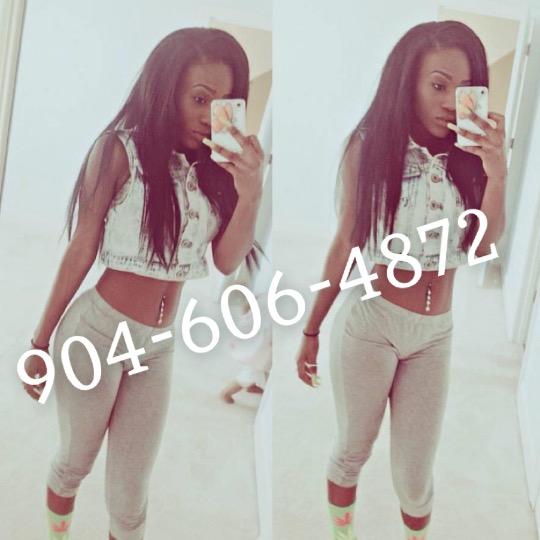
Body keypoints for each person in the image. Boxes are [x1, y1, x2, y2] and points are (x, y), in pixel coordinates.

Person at [20, 27, 264, 540]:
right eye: (199, 99)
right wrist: (39, 343)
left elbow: (226, 261)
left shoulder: (216, 172)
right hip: (96, 335)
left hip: (157, 346)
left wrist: (251, 191)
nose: (210, 116)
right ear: (165, 91)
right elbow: (81, 250)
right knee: (76, 460)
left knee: (131, 494)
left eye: (224, 104)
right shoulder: (118, 151)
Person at [296, 21, 506, 540]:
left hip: (435, 335)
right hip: (372, 323)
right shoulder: (369, 147)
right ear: (407, 83)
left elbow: (482, 247)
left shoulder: (473, 160)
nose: (451, 102)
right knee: (353, 450)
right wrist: (311, 328)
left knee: (414, 478)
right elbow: (345, 243)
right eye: (438, 85)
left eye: (464, 89)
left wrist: (497, 171)